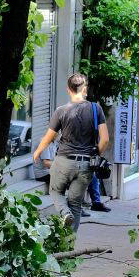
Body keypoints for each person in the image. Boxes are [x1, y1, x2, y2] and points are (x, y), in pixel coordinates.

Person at [31, 73, 110, 231]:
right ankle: (69, 247)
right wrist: (96, 155)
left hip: (63, 161)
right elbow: (105, 139)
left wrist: (38, 151)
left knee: (55, 191)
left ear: (68, 90)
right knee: (76, 203)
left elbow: (49, 136)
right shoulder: (96, 109)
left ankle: (64, 213)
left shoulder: (61, 111)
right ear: (85, 88)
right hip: (86, 164)